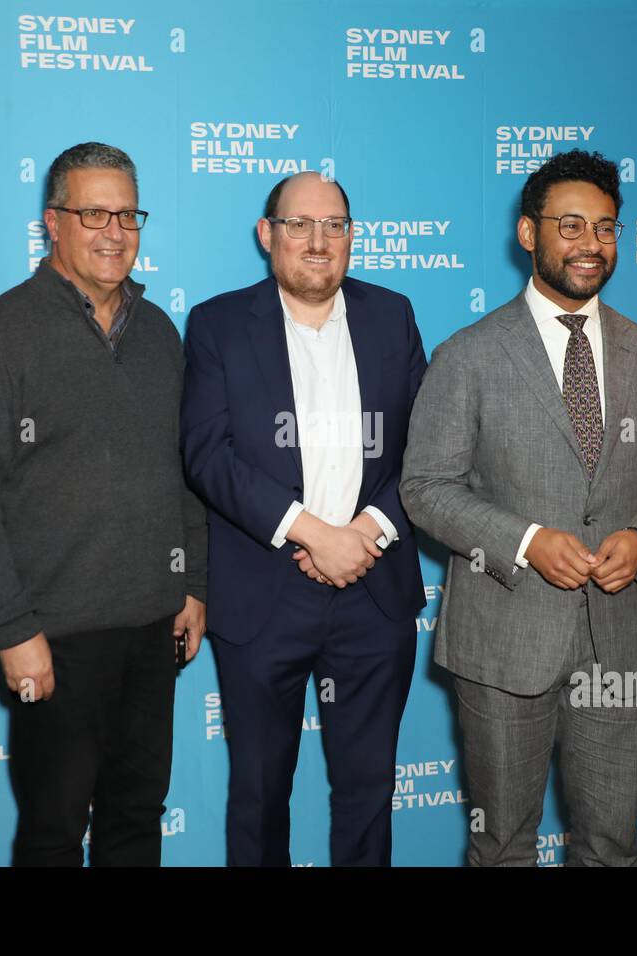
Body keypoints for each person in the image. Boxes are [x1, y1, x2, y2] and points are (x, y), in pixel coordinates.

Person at [400, 150, 637, 866]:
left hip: (621, 638)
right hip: (504, 643)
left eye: (605, 227)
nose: (591, 244)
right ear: (529, 234)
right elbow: (426, 488)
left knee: (611, 845)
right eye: (570, 226)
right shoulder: (467, 356)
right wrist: (527, 539)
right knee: (502, 844)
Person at [0, 142, 206, 867]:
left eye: (128, 213)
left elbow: (182, 470)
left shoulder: (159, 333)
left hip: (154, 628)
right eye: (94, 212)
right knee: (53, 831)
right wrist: (13, 626)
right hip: (51, 638)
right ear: (53, 223)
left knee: (136, 819)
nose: (114, 230)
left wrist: (192, 585)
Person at [180, 171, 427, 866]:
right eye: (299, 224)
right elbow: (207, 454)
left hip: (374, 593)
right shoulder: (217, 324)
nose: (318, 242)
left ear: (352, 237)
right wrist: (315, 533)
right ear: (268, 235)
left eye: (335, 225)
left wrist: (370, 530)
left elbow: (431, 448)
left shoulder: (393, 315)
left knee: (368, 795)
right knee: (259, 797)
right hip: (264, 595)